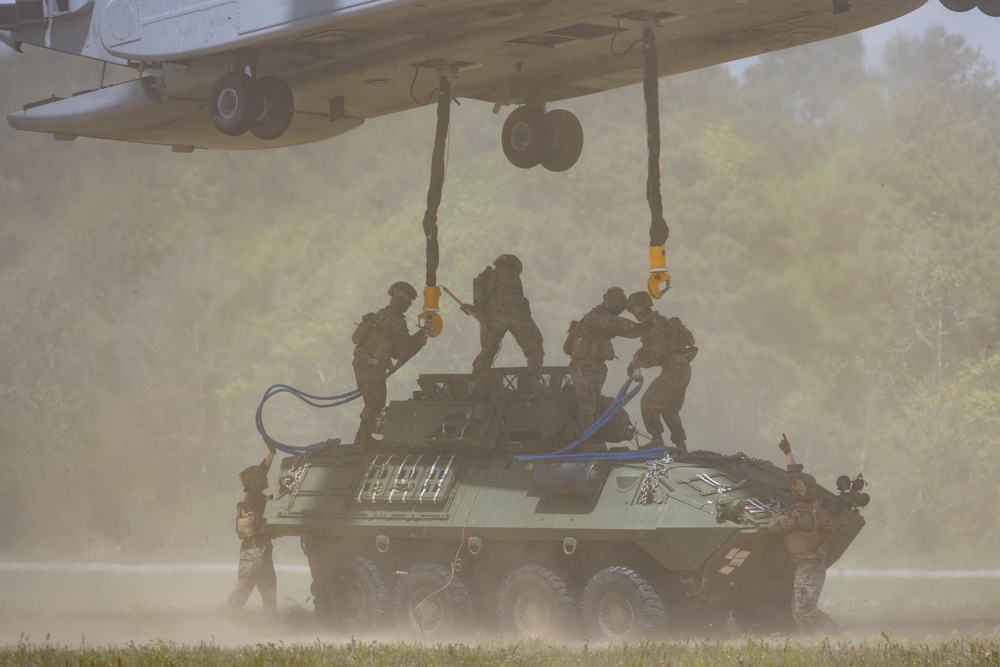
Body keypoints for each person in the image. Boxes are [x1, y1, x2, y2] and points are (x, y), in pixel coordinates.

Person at [767, 434, 837, 635]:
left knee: (805, 610)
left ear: (796, 493)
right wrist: (788, 453)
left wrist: (774, 512)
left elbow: (773, 526)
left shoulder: (798, 516)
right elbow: (797, 479)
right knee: (798, 611)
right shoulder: (814, 506)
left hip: (809, 566)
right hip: (809, 564)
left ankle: (836, 634)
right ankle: (808, 640)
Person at [352, 281, 428, 449]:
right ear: (403, 301)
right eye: (408, 302)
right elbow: (402, 351)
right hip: (373, 365)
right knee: (375, 403)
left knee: (371, 400)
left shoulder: (381, 314)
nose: (408, 306)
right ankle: (365, 440)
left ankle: (361, 439)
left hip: (361, 362)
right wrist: (422, 336)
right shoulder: (397, 321)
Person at [565, 287, 644, 437]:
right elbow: (614, 322)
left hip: (597, 368)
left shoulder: (607, 321)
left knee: (594, 407)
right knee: (587, 406)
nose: (620, 309)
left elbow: (630, 332)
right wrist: (636, 325)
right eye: (619, 304)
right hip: (582, 367)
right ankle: (586, 440)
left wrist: (643, 326)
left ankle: (591, 439)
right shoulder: (594, 317)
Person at [624, 290, 696, 453]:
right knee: (669, 408)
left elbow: (658, 354)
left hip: (674, 370)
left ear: (644, 306)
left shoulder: (654, 325)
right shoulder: (655, 323)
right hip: (681, 369)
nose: (634, 311)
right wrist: (640, 355)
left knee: (648, 403)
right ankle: (680, 445)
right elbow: (652, 347)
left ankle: (657, 441)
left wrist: (636, 363)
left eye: (635, 307)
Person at [224, 440, 278, 624]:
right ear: (253, 481)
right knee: (245, 583)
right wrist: (271, 455)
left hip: (263, 547)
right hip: (253, 548)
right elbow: (261, 473)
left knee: (269, 587)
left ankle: (270, 623)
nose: (265, 479)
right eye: (260, 477)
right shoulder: (253, 497)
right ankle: (228, 618)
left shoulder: (260, 499)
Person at [469, 254, 545, 386]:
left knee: (488, 350)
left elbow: (480, 294)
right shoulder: (515, 278)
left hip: (494, 316)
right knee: (534, 348)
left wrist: (480, 313)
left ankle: (477, 383)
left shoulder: (488, 275)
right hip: (518, 314)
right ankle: (533, 380)